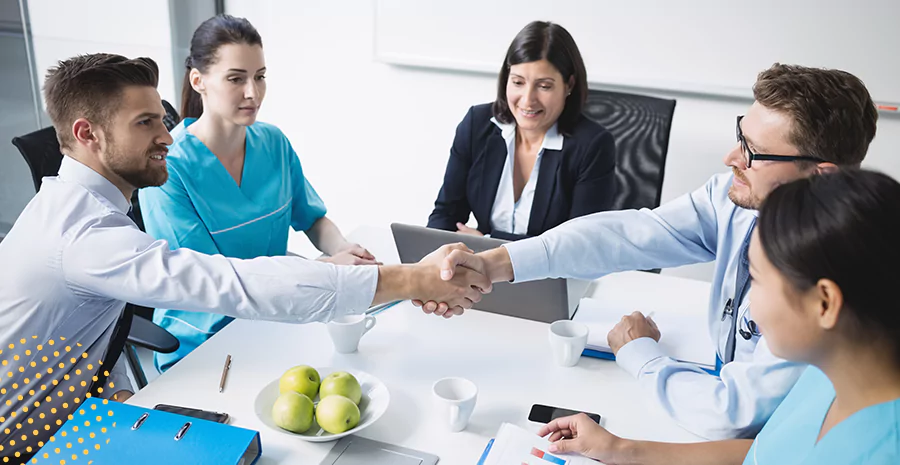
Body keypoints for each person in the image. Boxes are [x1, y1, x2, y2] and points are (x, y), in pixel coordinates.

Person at [0, 53, 489, 460]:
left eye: (162, 120)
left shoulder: (72, 206)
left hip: (81, 410)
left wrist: (121, 400)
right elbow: (230, 282)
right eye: (145, 123)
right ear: (87, 134)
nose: (168, 136)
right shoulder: (83, 235)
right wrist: (411, 281)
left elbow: (86, 334)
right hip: (28, 443)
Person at [423, 63, 879, 439]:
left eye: (753, 152)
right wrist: (498, 261)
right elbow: (630, 233)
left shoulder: (825, 283)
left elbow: (732, 417)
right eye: (740, 134)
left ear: (821, 175)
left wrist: (640, 353)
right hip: (706, 392)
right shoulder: (735, 199)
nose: (731, 158)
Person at [536, 169, 900, 465]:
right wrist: (617, 449)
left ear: (824, 303)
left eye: (756, 280)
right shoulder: (829, 373)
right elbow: (764, 455)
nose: (749, 307)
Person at [138, 15, 378, 372]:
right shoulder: (168, 170)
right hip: (206, 341)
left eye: (260, 76)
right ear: (198, 81)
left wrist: (340, 248)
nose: (253, 92)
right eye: (236, 79)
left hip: (278, 319)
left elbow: (312, 218)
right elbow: (213, 282)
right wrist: (325, 271)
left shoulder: (273, 142)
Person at [426, 21, 616, 241]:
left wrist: (487, 243)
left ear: (569, 85)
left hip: (551, 275)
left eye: (544, 86)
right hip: (480, 271)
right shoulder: (477, 125)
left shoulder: (592, 146)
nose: (527, 100)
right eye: (518, 82)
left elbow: (579, 244)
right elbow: (445, 214)